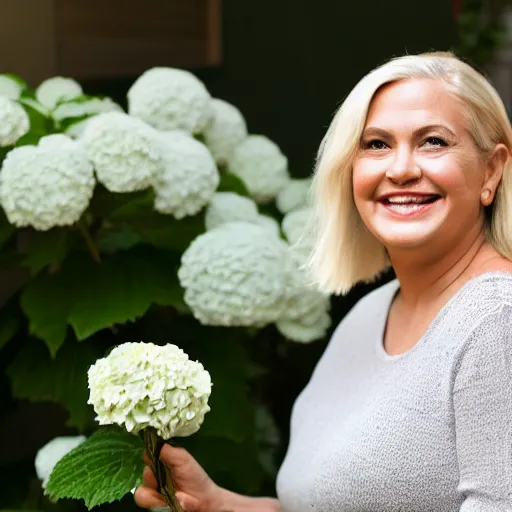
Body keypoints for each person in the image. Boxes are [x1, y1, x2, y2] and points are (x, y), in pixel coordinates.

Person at [135, 51, 512, 511]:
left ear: (491, 170)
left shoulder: (498, 323)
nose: (401, 169)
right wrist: (217, 504)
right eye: (376, 144)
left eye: (433, 141)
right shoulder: (372, 312)